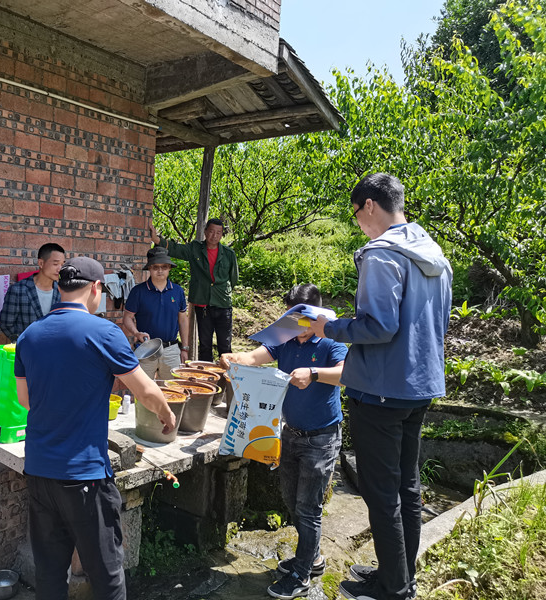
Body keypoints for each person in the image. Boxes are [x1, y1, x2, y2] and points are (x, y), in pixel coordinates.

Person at [309, 174, 453, 600]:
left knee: (380, 491)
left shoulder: (382, 254)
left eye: (356, 214)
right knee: (407, 487)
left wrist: (329, 326)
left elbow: (380, 325)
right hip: (420, 385)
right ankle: (399, 575)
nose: (358, 223)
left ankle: (393, 589)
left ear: (369, 205)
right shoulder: (433, 255)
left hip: (381, 389)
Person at [14, 256, 177, 600]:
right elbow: (145, 390)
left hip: (40, 471)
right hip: (84, 475)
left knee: (49, 574)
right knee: (107, 575)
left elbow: (26, 401)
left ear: (59, 288)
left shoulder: (29, 335)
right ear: (96, 289)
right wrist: (167, 414)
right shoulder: (104, 332)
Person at [220, 283, 347, 600]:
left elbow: (347, 373)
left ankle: (301, 576)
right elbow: (253, 356)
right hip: (289, 434)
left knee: (307, 508)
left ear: (317, 315)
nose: (296, 325)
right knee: (292, 502)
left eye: (302, 319)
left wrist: (314, 373)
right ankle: (313, 558)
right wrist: (233, 359)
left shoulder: (332, 341)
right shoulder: (285, 338)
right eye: (290, 317)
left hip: (321, 438)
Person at [150, 218, 238, 361]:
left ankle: (227, 380)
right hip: (202, 304)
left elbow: (233, 278)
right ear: (205, 232)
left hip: (223, 304)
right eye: (211, 232)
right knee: (204, 345)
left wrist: (222, 292)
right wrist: (157, 239)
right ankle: (207, 379)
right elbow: (177, 249)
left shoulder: (229, 254)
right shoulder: (195, 249)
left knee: (225, 346)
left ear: (222, 235)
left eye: (218, 233)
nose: (214, 235)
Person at [122, 246, 190, 379]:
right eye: (155, 267)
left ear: (169, 268)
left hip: (171, 350)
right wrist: (136, 333)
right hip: (145, 349)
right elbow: (127, 318)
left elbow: (183, 320)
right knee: (142, 393)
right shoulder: (138, 292)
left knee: (173, 392)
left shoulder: (178, 291)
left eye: (164, 267)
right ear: (149, 268)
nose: (160, 271)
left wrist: (185, 348)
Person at [0, 242, 65, 342]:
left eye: (62, 264)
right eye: (55, 264)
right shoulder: (18, 290)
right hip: (26, 351)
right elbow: (7, 325)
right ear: (41, 263)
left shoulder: (62, 291)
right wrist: (24, 343)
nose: (60, 269)